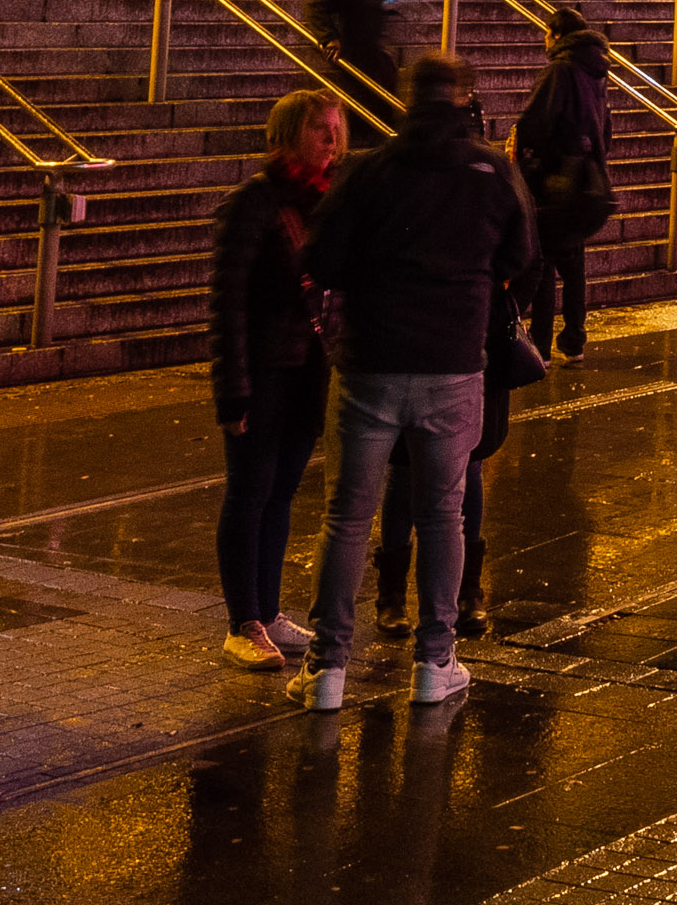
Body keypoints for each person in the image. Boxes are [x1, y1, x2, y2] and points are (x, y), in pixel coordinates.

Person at [298, 55, 537, 714]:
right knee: (442, 513)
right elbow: (521, 256)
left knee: (347, 516)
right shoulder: (491, 171)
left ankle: (327, 669)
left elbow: (320, 255)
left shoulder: (370, 169)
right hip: (452, 364)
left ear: (406, 100)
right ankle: (436, 661)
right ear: (463, 99)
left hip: (370, 363)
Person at [209, 89, 344, 669]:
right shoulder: (255, 203)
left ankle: (267, 611)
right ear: (291, 135)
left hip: (306, 371)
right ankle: (242, 621)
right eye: (322, 130)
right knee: (250, 493)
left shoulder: (325, 202)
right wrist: (233, 388)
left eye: (338, 129)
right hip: (262, 371)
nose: (333, 141)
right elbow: (228, 301)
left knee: (282, 494)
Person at [510, 25, 618, 358]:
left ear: (557, 34)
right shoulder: (597, 72)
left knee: (543, 263)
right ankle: (574, 340)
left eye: (546, 34)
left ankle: (540, 344)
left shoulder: (560, 69)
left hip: (555, 178)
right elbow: (606, 127)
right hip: (585, 179)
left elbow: (537, 119)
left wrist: (522, 152)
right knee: (574, 266)